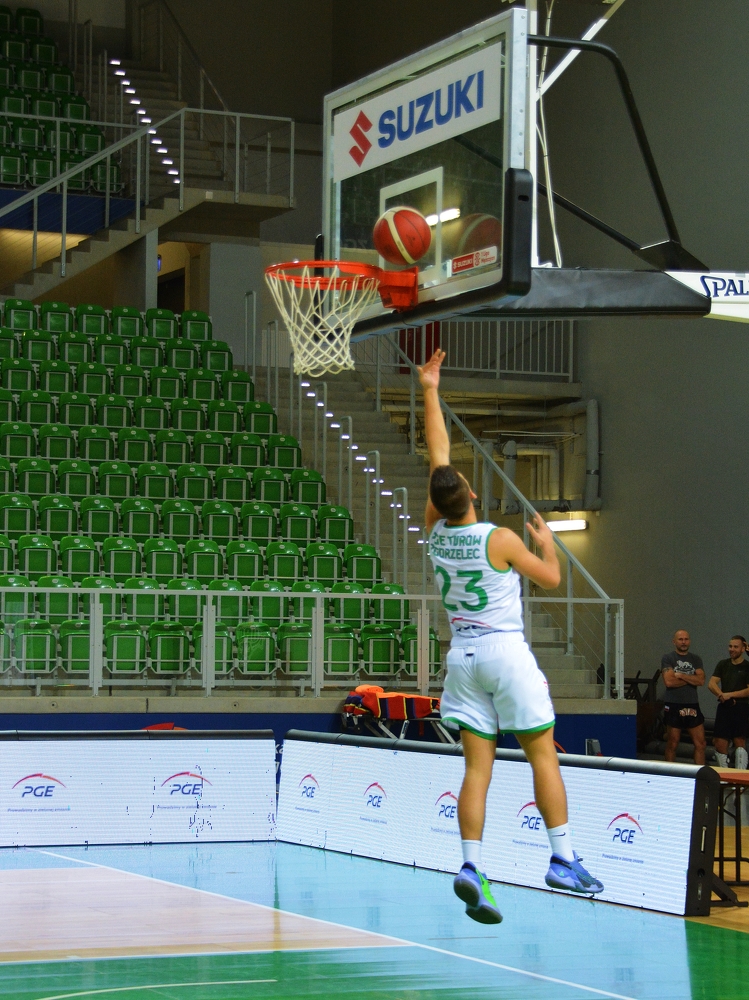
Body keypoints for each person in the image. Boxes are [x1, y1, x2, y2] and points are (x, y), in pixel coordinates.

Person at [419, 348, 603, 926]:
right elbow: (549, 579)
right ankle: (563, 858)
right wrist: (548, 544)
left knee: (477, 770)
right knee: (542, 753)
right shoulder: (498, 538)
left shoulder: (434, 533)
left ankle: (472, 866)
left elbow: (438, 457)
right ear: (471, 495)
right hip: (504, 652)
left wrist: (429, 389)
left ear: (437, 503)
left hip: (462, 657)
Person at [661, 631, 706, 764]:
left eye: (686, 639)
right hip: (674, 704)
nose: (683, 642)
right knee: (673, 743)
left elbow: (701, 681)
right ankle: (669, 773)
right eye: (680, 639)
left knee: (701, 743)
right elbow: (669, 682)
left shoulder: (696, 659)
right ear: (674, 641)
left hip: (692, 704)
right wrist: (692, 678)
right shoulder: (668, 658)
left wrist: (681, 675)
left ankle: (700, 773)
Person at [708, 635, 749, 769]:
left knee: (739, 742)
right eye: (730, 646)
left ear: (743, 649)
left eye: (736, 647)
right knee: (719, 742)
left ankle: (740, 776)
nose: (732, 649)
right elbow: (712, 683)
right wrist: (721, 695)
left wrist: (729, 695)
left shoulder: (747, 666)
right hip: (725, 707)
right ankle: (724, 776)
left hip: (741, 707)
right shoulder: (723, 664)